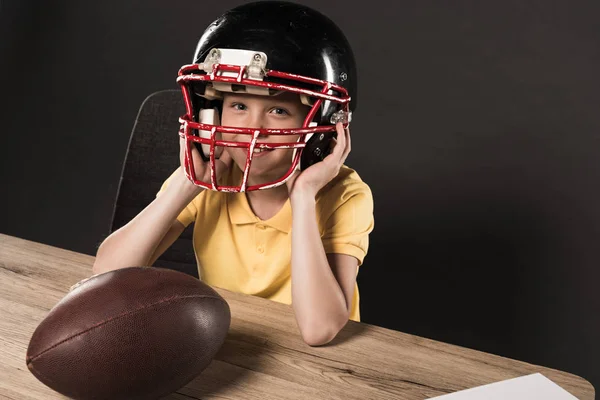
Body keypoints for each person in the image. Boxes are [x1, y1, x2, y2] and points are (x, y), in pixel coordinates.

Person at [92, 1, 374, 346]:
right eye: (238, 106)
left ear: (321, 125)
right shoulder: (212, 178)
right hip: (230, 342)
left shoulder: (345, 194)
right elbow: (105, 277)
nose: (252, 127)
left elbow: (319, 330)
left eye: (279, 110)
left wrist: (303, 198)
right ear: (212, 113)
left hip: (318, 365)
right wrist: (187, 182)